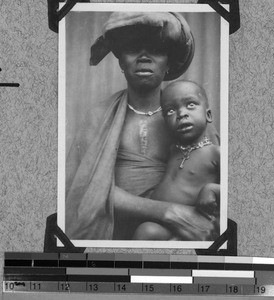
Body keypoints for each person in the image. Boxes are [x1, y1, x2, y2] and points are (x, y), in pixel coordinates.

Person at [65, 12, 221, 242]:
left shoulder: (191, 119)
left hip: (178, 240)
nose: (144, 57)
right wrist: (170, 213)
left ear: (169, 62)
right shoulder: (98, 116)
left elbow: (219, 190)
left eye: (156, 49)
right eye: (132, 48)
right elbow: (86, 188)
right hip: (112, 238)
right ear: (120, 60)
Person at [133, 80, 220, 240]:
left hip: (190, 223)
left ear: (208, 115)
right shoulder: (174, 150)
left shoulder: (215, 153)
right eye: (171, 110)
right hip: (162, 218)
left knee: (147, 232)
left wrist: (211, 189)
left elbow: (237, 191)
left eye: (191, 105)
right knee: (145, 230)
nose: (181, 114)